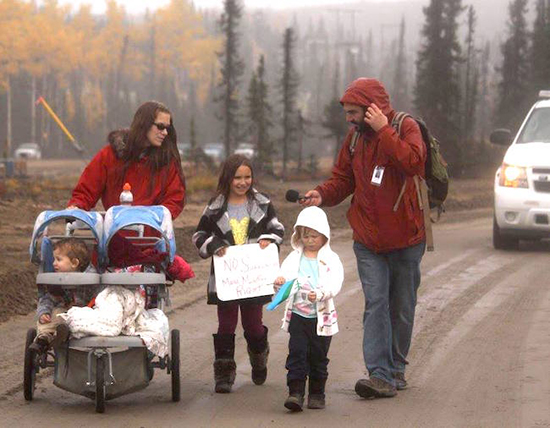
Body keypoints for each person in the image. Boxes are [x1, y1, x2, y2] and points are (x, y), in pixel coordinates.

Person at [301, 78, 427, 399]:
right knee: (376, 303)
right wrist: (321, 194)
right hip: (368, 240)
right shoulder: (354, 139)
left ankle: (396, 368)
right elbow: (343, 179)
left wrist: (385, 130)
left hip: (407, 239)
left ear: (372, 108)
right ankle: (380, 375)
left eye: (353, 112)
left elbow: (414, 162)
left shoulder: (405, 127)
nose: (349, 119)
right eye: (347, 112)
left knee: (401, 306)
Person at [192, 154, 284, 393]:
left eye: (248, 177)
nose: (243, 182)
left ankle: (259, 356)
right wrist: (213, 245)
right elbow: (198, 235)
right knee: (226, 326)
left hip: (254, 278)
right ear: (228, 178)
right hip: (227, 280)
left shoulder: (262, 204)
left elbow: (277, 229)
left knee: (253, 325)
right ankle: (223, 373)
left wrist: (267, 240)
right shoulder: (215, 207)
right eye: (238, 177)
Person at [273, 206, 343, 412]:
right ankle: (295, 392)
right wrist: (279, 281)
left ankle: (317, 393)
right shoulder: (295, 258)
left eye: (314, 236)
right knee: (297, 352)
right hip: (298, 315)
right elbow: (284, 277)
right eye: (306, 236)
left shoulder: (331, 260)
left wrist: (321, 293)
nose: (310, 240)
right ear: (299, 235)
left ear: (324, 235)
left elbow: (335, 282)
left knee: (318, 356)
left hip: (321, 318)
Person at [67, 100, 185, 220]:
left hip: (151, 235)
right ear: (144, 124)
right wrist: (76, 207)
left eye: (167, 129)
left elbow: (174, 199)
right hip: (113, 234)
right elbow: (87, 188)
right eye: (160, 127)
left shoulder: (167, 162)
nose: (165, 132)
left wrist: (153, 218)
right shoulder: (110, 155)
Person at [29, 238, 96, 354]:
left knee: (78, 317)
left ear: (74, 263)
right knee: (54, 316)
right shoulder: (56, 281)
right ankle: (44, 338)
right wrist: (44, 313)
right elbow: (48, 299)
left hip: (84, 313)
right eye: (54, 259)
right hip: (63, 313)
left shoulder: (91, 279)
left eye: (58, 260)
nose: (54, 263)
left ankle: (62, 332)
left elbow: (100, 297)